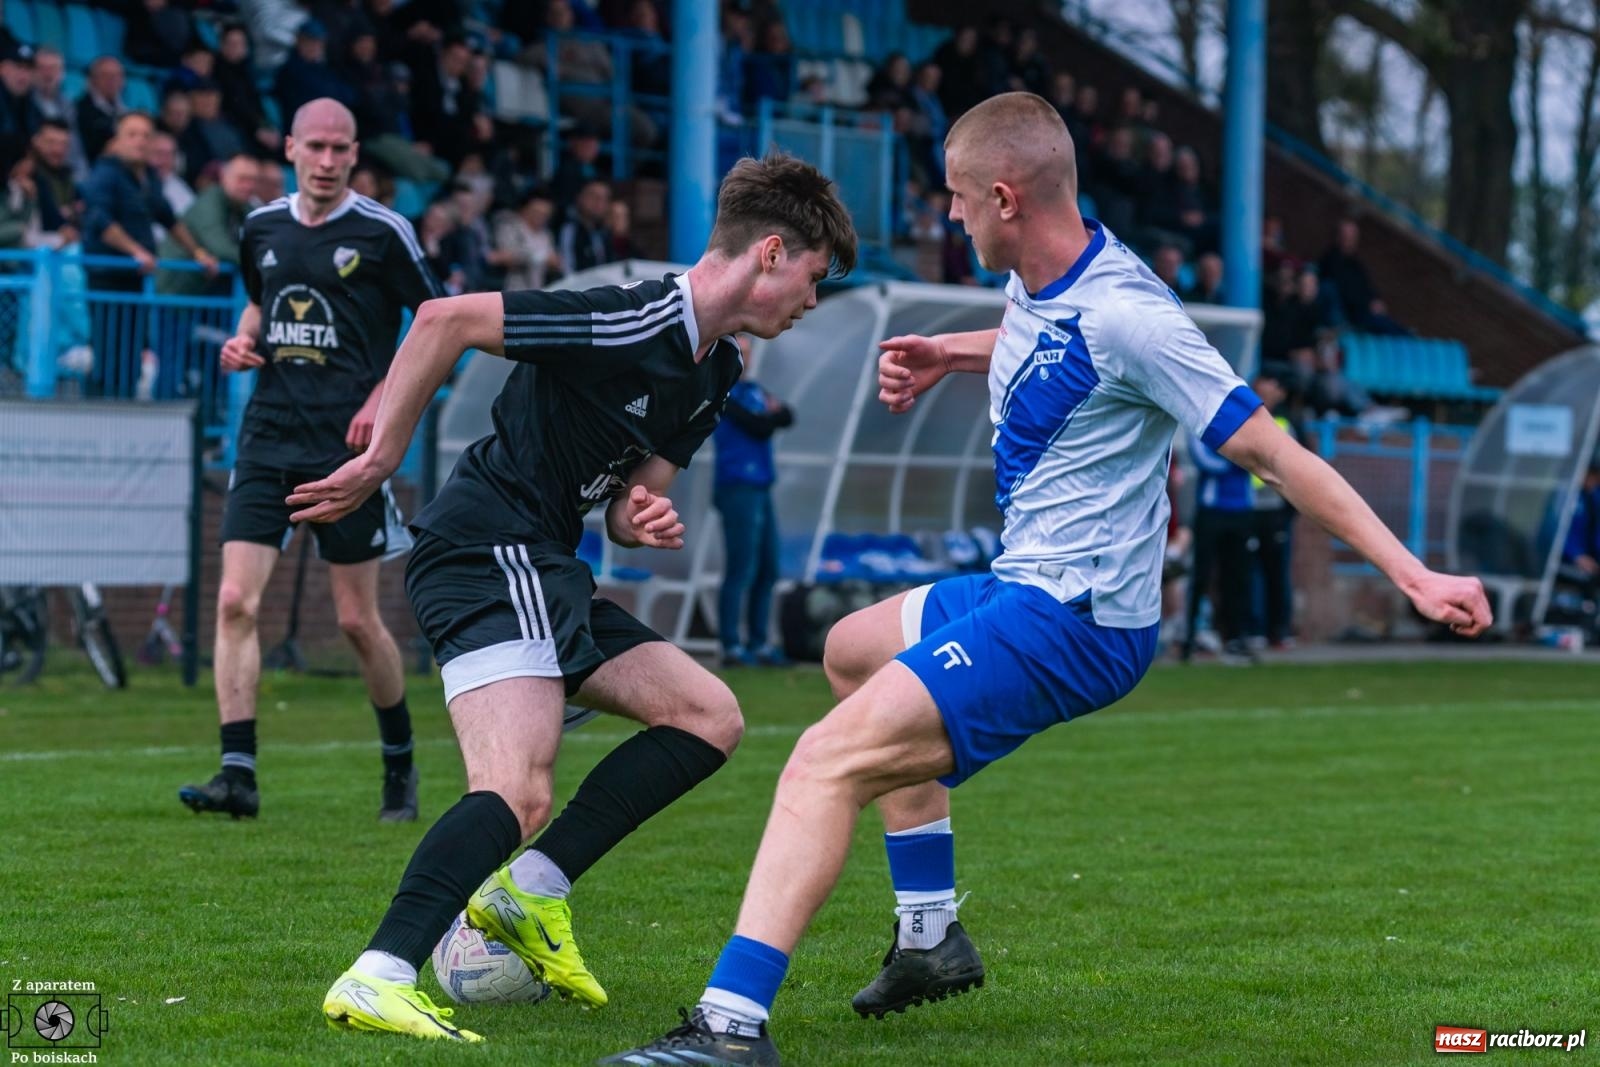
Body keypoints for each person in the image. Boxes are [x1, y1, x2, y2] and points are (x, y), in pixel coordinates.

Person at [603, 92, 1491, 1066]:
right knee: (850, 649)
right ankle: (930, 935)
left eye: (955, 199)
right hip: (1023, 581)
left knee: (824, 762)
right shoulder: (1045, 272)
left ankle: (729, 1027)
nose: (947, 218)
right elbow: (1047, 339)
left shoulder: (1133, 316)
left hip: (1077, 616)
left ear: (1003, 196)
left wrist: (1412, 571)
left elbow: (1277, 457)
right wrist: (950, 352)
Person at [287, 151, 857, 1043]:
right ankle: (380, 972)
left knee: (707, 715)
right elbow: (442, 319)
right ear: (773, 252)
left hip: (546, 563)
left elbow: (632, 502)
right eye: (815, 279)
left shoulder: (716, 372)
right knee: (515, 788)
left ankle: (530, 891)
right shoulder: (630, 315)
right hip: (484, 548)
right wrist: (381, 457)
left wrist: (642, 514)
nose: (812, 301)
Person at [175, 99, 442, 823]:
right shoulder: (260, 225)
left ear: (356, 153)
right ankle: (238, 773)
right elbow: (260, 304)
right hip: (267, 435)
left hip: (343, 448)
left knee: (356, 620)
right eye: (314, 147)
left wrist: (384, 398)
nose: (326, 161)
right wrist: (241, 339)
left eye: (340, 149)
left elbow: (436, 325)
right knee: (234, 600)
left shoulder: (385, 231)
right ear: (289, 146)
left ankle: (400, 763)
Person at [81, 112, 217, 396]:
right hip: (108, 279)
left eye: (146, 135)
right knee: (109, 354)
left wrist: (198, 253)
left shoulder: (148, 177)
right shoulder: (105, 173)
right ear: (116, 140)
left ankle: (123, 415)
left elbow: (169, 218)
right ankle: (100, 416)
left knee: (132, 357)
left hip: (137, 281)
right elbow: (99, 221)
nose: (140, 141)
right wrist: (136, 251)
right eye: (132, 134)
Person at [713, 334, 793, 667]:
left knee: (768, 567)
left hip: (761, 487)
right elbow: (759, 424)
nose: (746, 360)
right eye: (740, 353)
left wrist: (770, 418)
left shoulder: (755, 391)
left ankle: (759, 643)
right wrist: (769, 419)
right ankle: (731, 645)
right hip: (737, 488)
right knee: (741, 568)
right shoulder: (722, 392)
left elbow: (787, 415)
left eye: (749, 353)